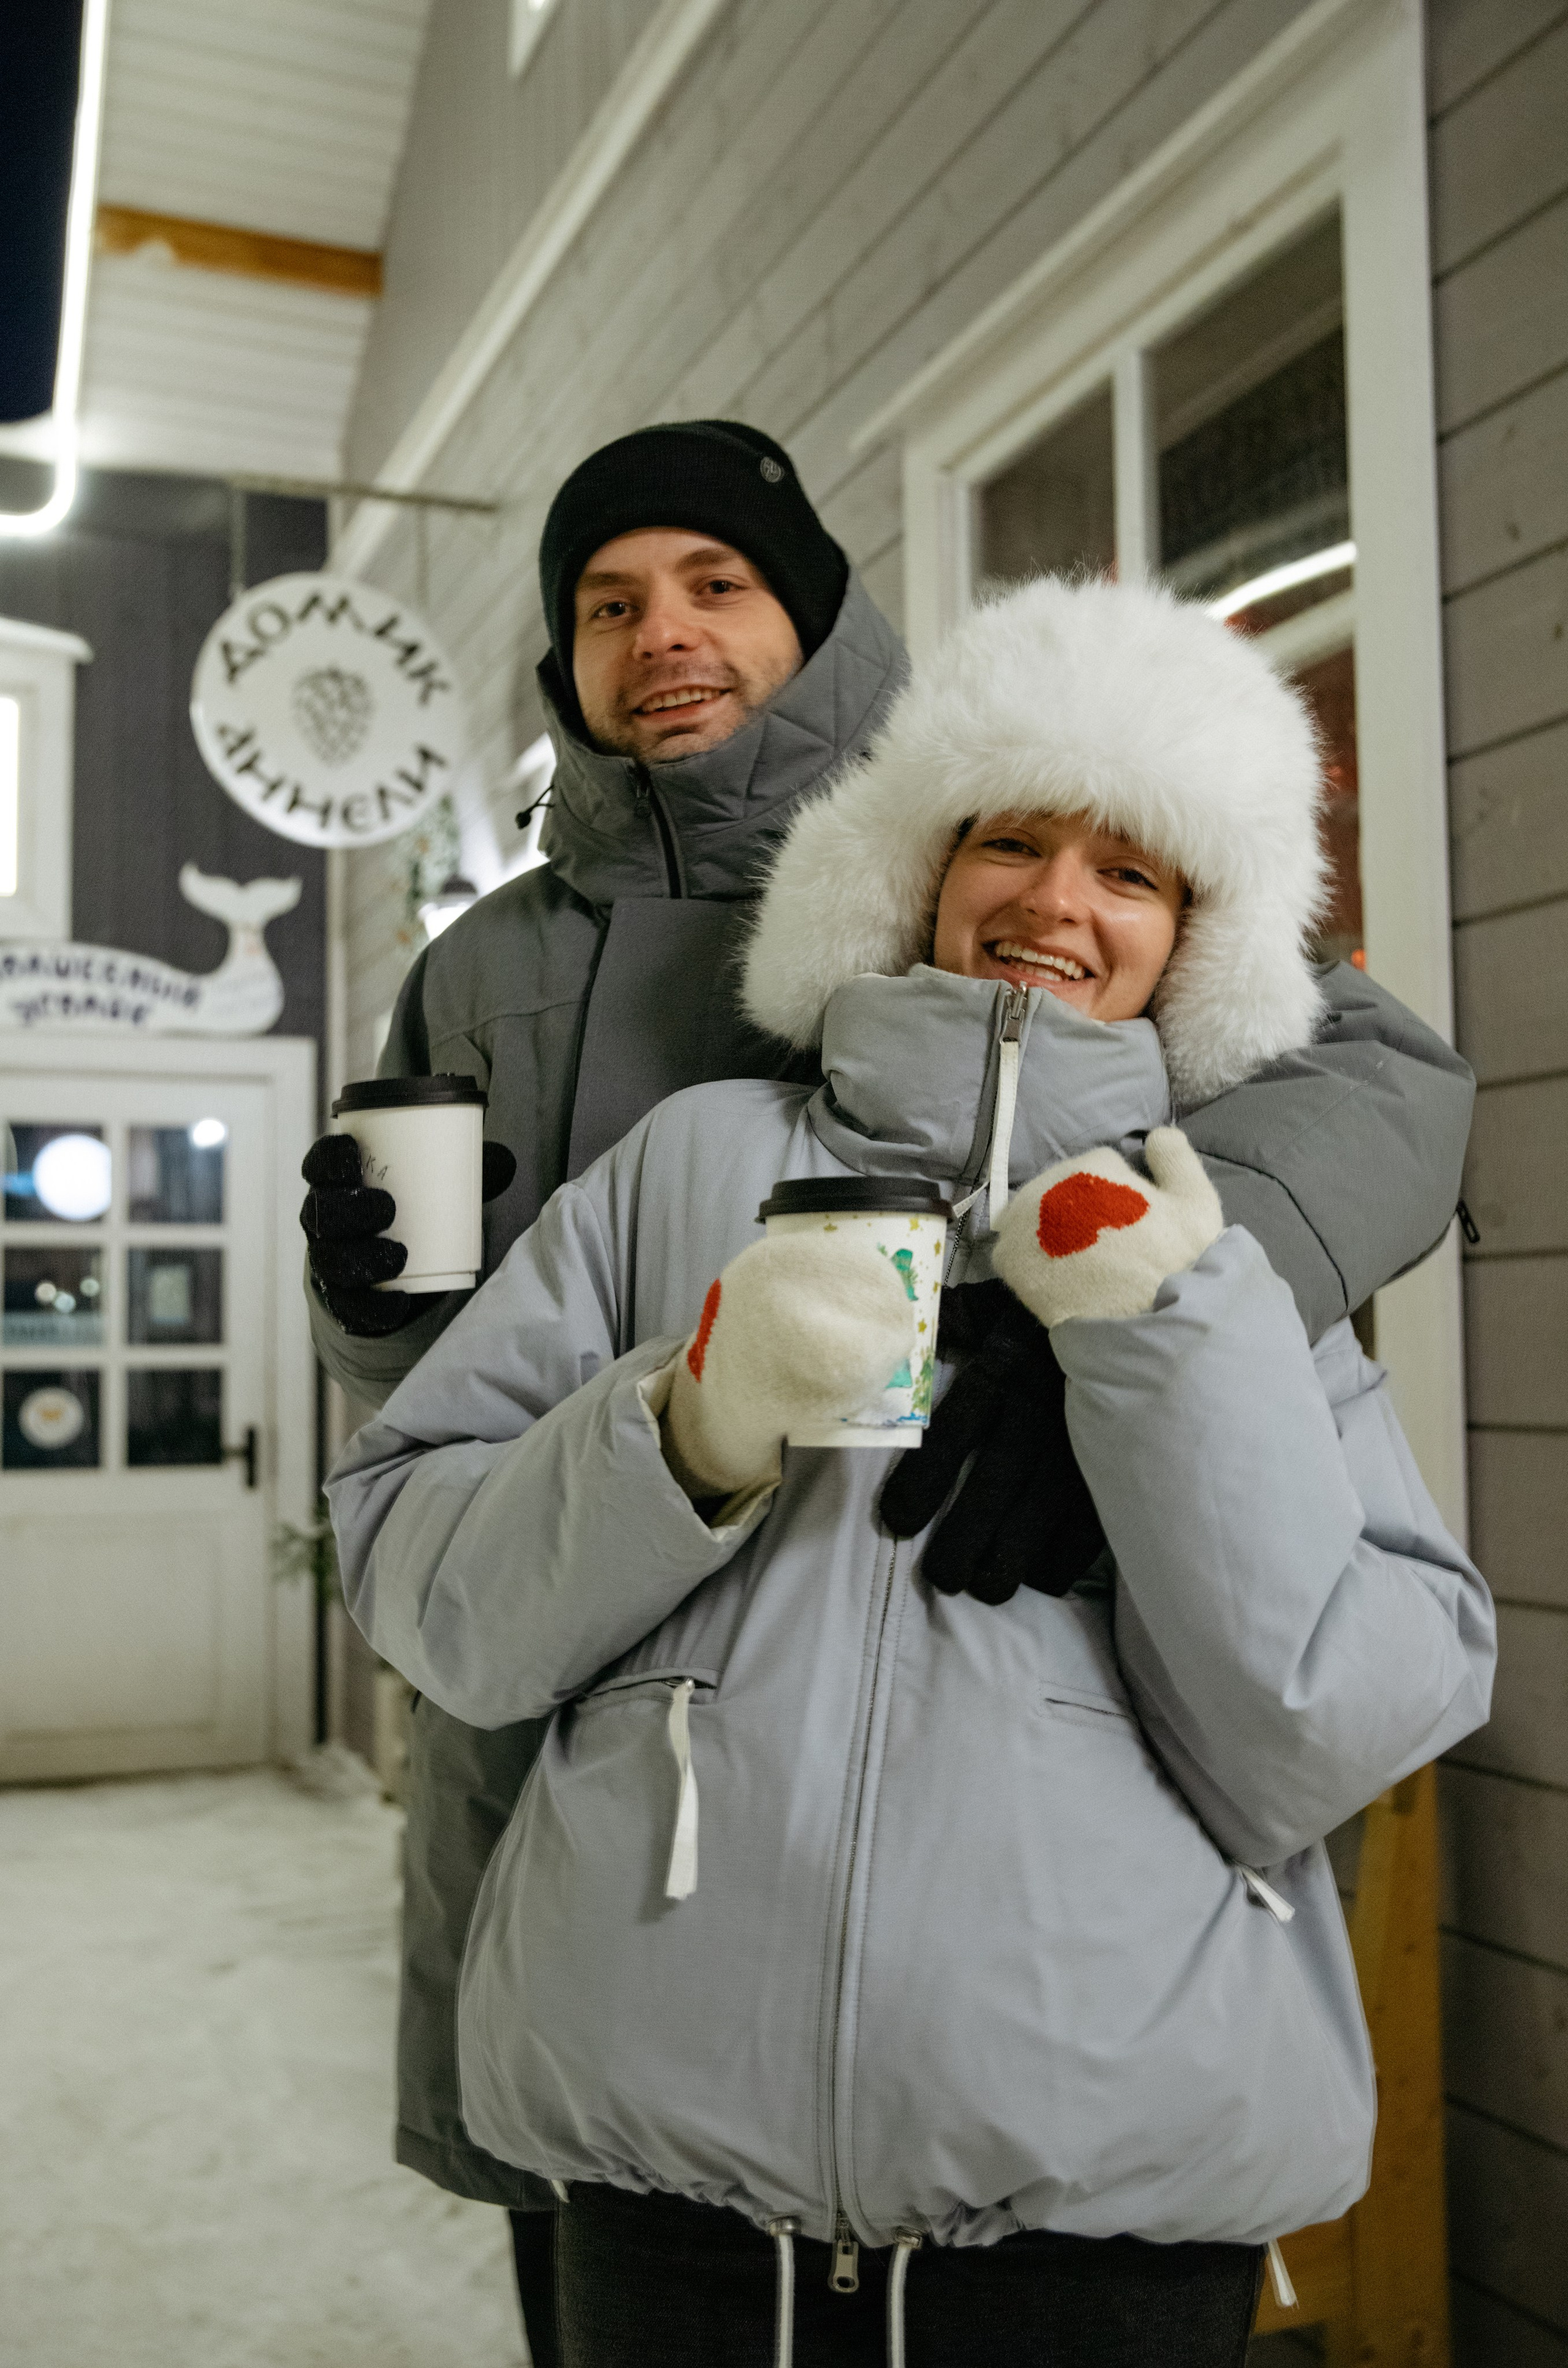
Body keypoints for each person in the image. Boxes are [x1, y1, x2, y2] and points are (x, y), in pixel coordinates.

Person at [304, 441, 1473, 2364]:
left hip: (1087, 2146)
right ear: (912, 865)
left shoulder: (1207, 1193)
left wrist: (1157, 1320)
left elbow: (1334, 1705)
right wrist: (560, 1376)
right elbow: (428, 1501)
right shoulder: (541, 1019)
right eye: (609, 602)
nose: (663, 635)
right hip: (650, 2044)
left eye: (716, 584)